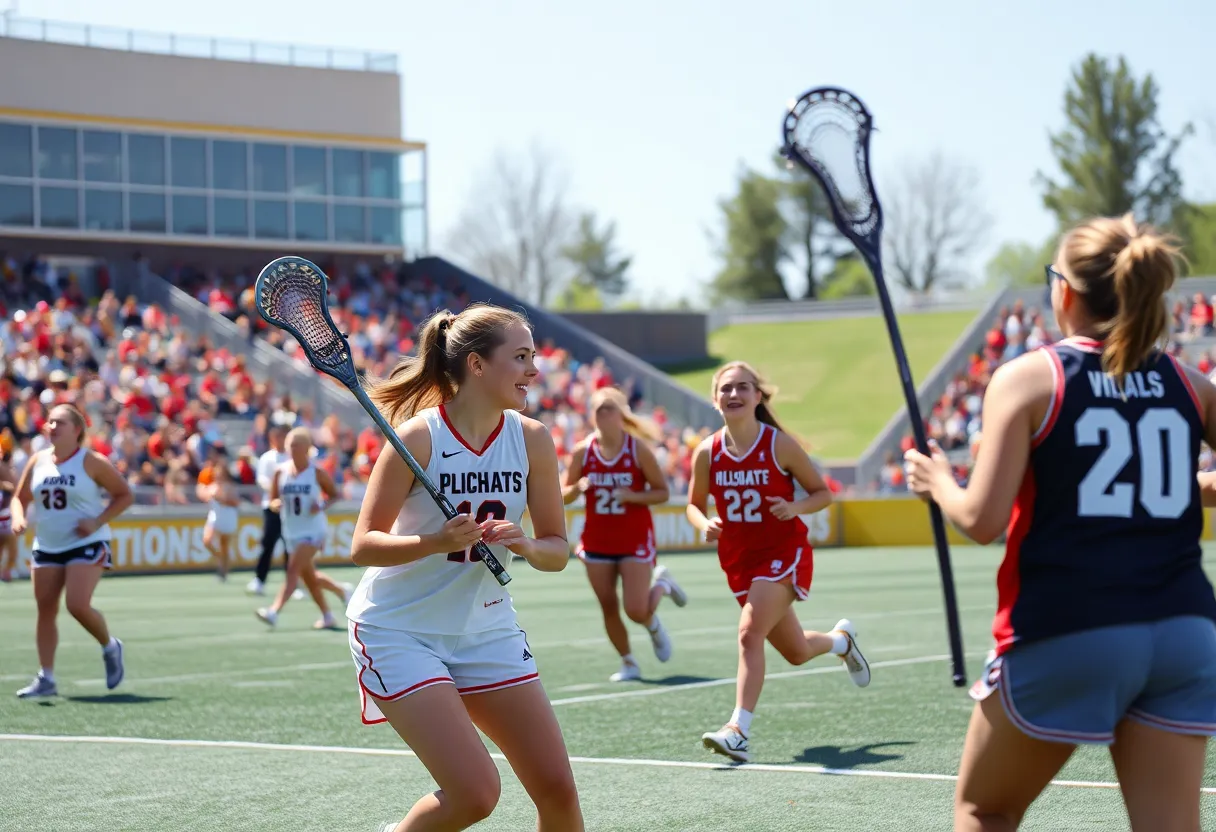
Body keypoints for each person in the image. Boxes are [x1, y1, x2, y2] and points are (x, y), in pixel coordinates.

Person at [904, 213, 1216, 832]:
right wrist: (1183, 487)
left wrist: (937, 482)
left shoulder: (1028, 377)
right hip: (1186, 631)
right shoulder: (1189, 382)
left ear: (1065, 291)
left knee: (984, 809)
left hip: (1069, 625)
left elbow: (981, 518)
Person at [346, 304, 582, 831]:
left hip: (486, 628)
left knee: (558, 790)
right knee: (475, 793)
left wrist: (523, 543)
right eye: (520, 357)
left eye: (533, 356)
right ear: (476, 365)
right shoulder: (418, 438)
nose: (533, 370)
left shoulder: (534, 440)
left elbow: (557, 551)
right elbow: (363, 545)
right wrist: (434, 541)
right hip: (399, 630)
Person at [686, 361, 870, 762]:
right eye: (726, 389)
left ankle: (738, 730)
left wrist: (794, 505)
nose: (733, 394)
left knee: (749, 632)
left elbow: (823, 493)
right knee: (797, 651)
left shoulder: (778, 445)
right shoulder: (707, 452)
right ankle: (842, 641)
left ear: (757, 396)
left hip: (783, 554)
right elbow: (693, 505)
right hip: (739, 560)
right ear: (716, 400)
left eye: (742, 388)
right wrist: (704, 523)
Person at [562, 386, 687, 682]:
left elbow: (661, 492)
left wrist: (631, 496)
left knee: (635, 609)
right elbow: (563, 495)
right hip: (597, 540)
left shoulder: (637, 449)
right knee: (607, 604)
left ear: (621, 414)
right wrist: (576, 489)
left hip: (633, 538)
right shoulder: (583, 451)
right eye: (598, 409)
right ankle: (628, 661)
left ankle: (662, 588)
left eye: (609, 408)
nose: (603, 414)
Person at [10, 404, 134, 698]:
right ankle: (47, 678)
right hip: (48, 544)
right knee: (45, 609)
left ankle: (110, 646)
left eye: (60, 422)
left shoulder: (92, 461)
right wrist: (18, 517)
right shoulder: (38, 460)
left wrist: (97, 521)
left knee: (77, 605)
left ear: (77, 430)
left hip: (86, 542)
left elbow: (124, 494)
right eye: (50, 422)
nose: (52, 426)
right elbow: (20, 498)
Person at [255, 427, 350, 630]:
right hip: (291, 530)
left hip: (313, 530)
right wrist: (275, 505)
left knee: (292, 570)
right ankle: (332, 607)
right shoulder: (280, 472)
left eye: (296, 444)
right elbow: (272, 499)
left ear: (306, 448)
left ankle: (273, 611)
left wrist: (321, 505)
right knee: (309, 578)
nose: (292, 448)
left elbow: (334, 494)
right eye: (290, 445)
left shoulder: (316, 472)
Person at [248, 425, 288, 596]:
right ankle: (259, 579)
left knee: (290, 546)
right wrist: (276, 491)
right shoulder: (267, 458)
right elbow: (262, 480)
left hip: (289, 508)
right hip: (271, 506)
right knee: (268, 543)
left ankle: (291, 583)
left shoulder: (291, 457)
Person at [200, 461, 240, 582]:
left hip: (226, 516)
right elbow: (205, 497)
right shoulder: (211, 486)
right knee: (207, 541)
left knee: (224, 545)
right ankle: (220, 558)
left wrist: (223, 500)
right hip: (214, 516)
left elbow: (235, 502)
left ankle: (224, 570)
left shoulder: (230, 487)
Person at [0, 453, 18, 582]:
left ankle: (7, 571)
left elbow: (14, 487)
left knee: (11, 545)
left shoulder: (7, 468)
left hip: (6, 513)